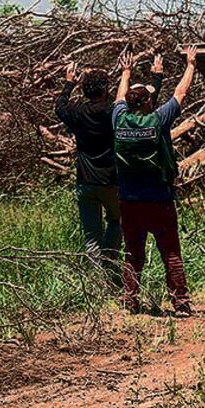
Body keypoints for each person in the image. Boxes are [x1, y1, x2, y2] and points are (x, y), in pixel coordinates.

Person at [55, 59, 160, 285]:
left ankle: (96, 282)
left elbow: (59, 107)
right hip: (111, 180)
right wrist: (127, 72)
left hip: (85, 182)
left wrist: (68, 83)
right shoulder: (112, 114)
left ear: (84, 90)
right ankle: (109, 263)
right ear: (105, 89)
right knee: (116, 221)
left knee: (91, 235)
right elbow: (126, 102)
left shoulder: (76, 112)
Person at [112, 46, 197, 314]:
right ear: (148, 103)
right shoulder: (159, 120)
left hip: (129, 200)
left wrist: (126, 72)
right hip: (160, 199)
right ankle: (180, 303)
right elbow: (180, 94)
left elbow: (118, 98)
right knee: (170, 252)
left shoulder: (119, 120)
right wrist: (191, 65)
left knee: (132, 253)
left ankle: (129, 300)